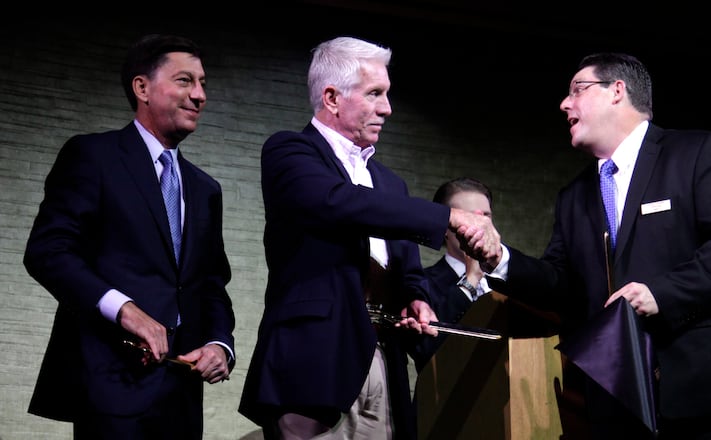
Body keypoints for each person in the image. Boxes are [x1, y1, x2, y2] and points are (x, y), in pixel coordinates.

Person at [476, 52, 711, 439]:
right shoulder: (573, 197)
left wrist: (661, 293)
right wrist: (501, 259)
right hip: (615, 402)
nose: (564, 103)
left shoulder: (697, 153)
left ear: (617, 91)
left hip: (705, 393)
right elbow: (561, 287)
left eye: (577, 90)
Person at [237, 36, 500, 440]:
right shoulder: (290, 153)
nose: (387, 108)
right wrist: (449, 216)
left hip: (382, 361)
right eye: (375, 93)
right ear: (331, 97)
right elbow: (338, 203)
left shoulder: (390, 184)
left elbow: (408, 269)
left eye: (387, 94)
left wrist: (417, 299)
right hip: (315, 362)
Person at [23, 33, 236, 440]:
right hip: (110, 385)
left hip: (183, 392)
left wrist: (218, 343)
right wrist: (126, 309)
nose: (199, 95)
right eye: (185, 80)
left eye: (203, 83)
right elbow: (48, 251)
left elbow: (211, 285)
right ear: (142, 87)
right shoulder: (93, 156)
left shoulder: (205, 189)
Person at [408, 177, 495, 372]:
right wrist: (470, 280)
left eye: (486, 216)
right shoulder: (422, 284)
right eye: (468, 216)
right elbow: (425, 350)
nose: (480, 224)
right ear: (445, 227)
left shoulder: (507, 280)